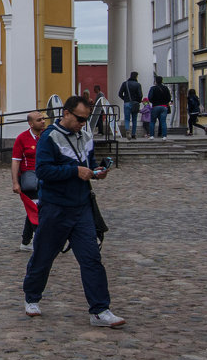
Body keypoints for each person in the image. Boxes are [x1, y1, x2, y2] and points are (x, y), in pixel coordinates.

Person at [22, 95, 125, 328]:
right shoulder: (49, 138)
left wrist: (97, 170)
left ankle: (100, 310)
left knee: (91, 259)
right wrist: (74, 171)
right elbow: (44, 171)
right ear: (66, 113)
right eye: (79, 118)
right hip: (55, 208)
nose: (82, 123)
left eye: (85, 119)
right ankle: (32, 297)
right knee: (43, 256)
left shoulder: (86, 135)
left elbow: (89, 162)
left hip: (81, 208)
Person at [10, 111, 46, 251]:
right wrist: (15, 182)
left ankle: (25, 242)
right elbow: (15, 161)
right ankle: (41, 241)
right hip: (29, 179)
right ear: (31, 124)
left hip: (45, 177)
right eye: (39, 120)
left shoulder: (46, 136)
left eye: (43, 119)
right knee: (35, 209)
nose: (43, 122)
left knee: (33, 209)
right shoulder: (22, 138)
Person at [117, 72, 143, 139]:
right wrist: (138, 101)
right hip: (135, 103)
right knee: (134, 119)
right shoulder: (138, 85)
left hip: (127, 103)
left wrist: (125, 99)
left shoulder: (125, 84)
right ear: (136, 77)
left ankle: (127, 130)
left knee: (127, 119)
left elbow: (120, 93)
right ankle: (133, 134)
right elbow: (140, 95)